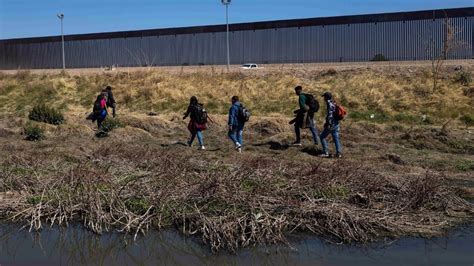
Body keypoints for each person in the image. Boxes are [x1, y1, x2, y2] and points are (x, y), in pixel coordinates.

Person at [319, 92, 342, 158]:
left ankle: (325, 152)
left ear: (326, 97)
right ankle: (338, 153)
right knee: (336, 138)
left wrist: (328, 123)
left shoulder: (329, 104)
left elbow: (330, 115)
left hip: (331, 124)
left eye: (324, 97)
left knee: (322, 137)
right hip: (336, 123)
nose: (323, 98)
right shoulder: (334, 102)